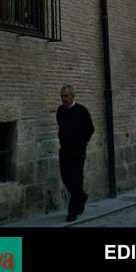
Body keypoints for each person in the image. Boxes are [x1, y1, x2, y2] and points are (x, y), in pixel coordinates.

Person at [56, 84, 95, 222]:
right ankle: (81, 196)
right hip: (64, 151)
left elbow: (90, 128)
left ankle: (73, 212)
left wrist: (82, 143)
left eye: (66, 96)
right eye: (62, 96)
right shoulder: (60, 110)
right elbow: (60, 125)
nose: (63, 99)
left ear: (73, 96)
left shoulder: (81, 110)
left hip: (77, 152)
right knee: (66, 178)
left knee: (76, 180)